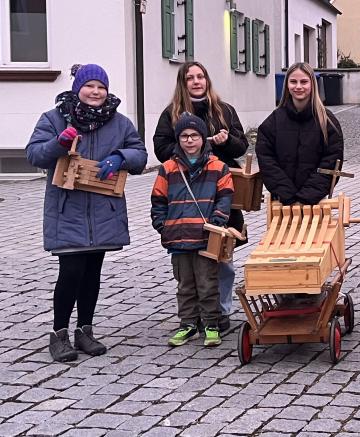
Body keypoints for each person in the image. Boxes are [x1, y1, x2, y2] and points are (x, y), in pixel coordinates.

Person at [26, 64, 148, 362]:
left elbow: (140, 155)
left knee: (92, 273)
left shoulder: (119, 123)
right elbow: (34, 154)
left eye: (101, 87)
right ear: (77, 88)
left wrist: (121, 157)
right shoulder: (54, 119)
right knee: (70, 272)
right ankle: (59, 334)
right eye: (90, 86)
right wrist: (59, 143)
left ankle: (85, 330)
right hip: (67, 210)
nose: (95, 92)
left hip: (102, 211)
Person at [153, 61, 249, 331]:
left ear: (207, 80)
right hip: (185, 196)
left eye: (200, 76)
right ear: (183, 83)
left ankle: (221, 312)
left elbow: (242, 145)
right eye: (190, 78)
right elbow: (161, 148)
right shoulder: (170, 113)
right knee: (190, 261)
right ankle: (193, 315)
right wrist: (189, 145)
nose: (196, 82)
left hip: (220, 193)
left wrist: (225, 141)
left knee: (223, 256)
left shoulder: (224, 110)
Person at [151, 113, 234, 347]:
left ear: (202, 138)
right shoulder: (167, 169)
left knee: (208, 283)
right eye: (184, 136)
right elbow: (158, 200)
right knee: (185, 285)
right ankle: (188, 324)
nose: (189, 140)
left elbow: (225, 198)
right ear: (178, 139)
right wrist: (162, 226)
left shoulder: (218, 167)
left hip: (206, 237)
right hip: (177, 236)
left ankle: (211, 323)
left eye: (194, 135)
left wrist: (216, 224)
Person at [256, 62, 344, 206]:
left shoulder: (327, 122)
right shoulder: (273, 121)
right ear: (287, 85)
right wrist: (288, 195)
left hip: (315, 203)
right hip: (282, 203)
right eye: (293, 82)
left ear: (312, 84)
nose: (298, 86)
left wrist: (306, 197)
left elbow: (331, 162)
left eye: (303, 82)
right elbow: (267, 161)